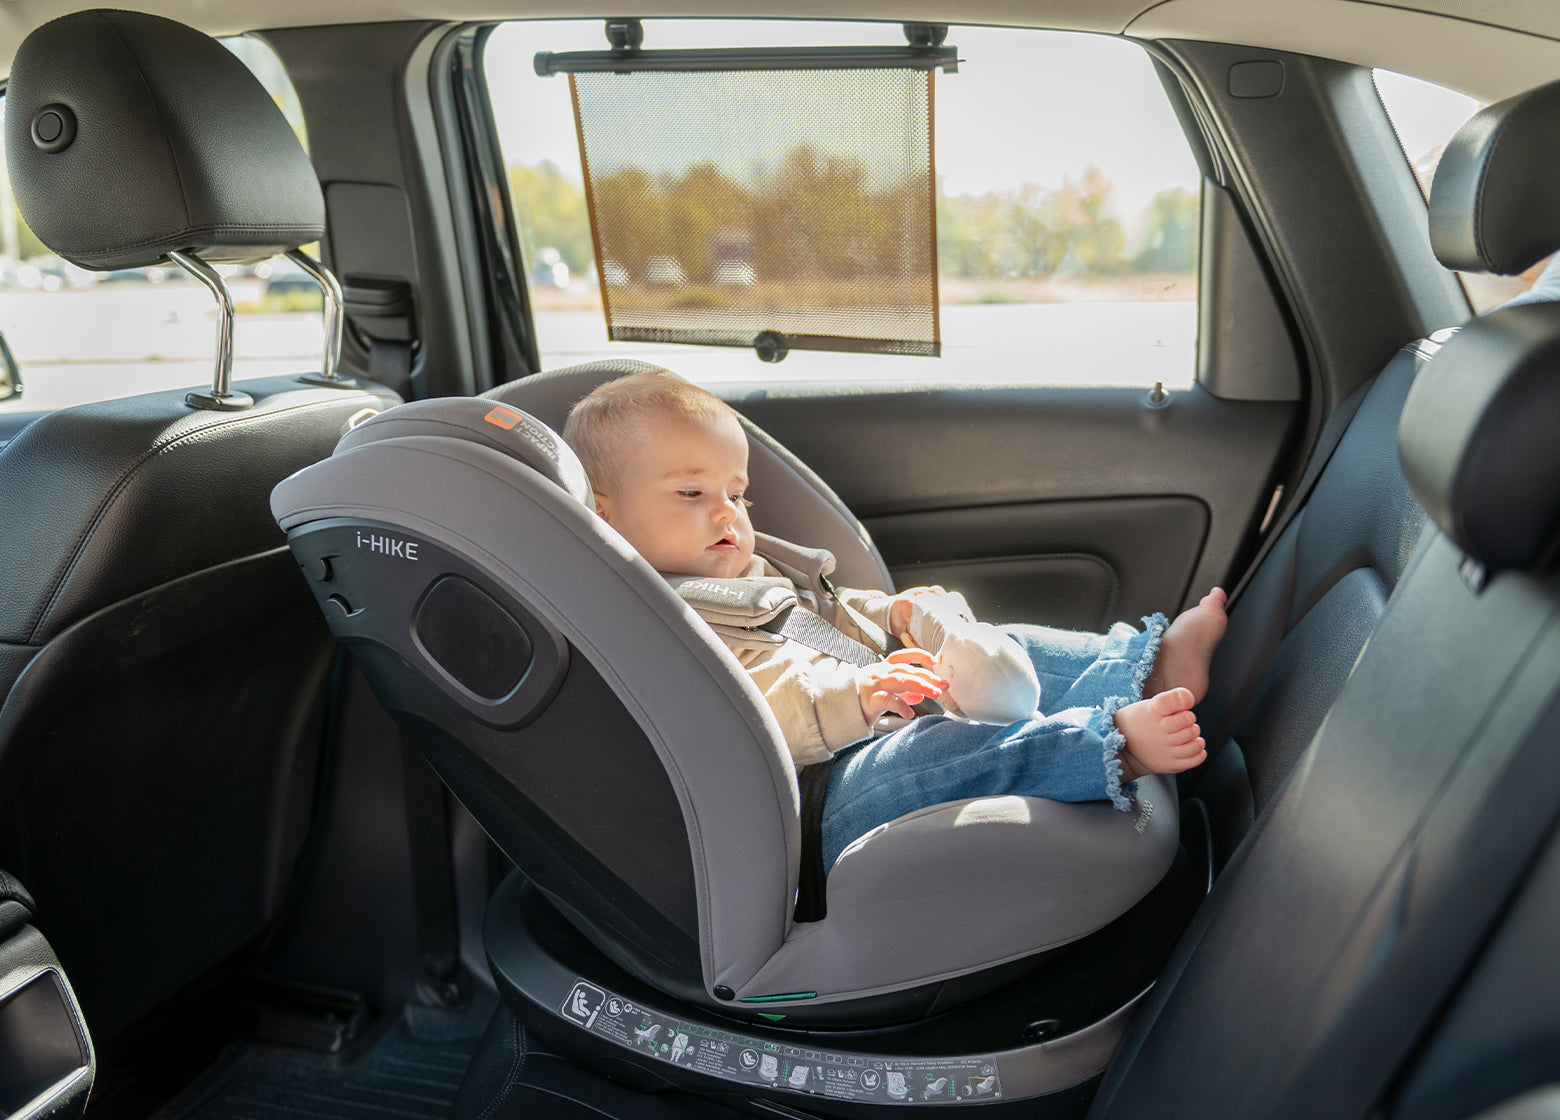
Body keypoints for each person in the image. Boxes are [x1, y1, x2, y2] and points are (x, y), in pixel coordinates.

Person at [563, 372, 1228, 871]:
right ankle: (1107, 747)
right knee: (931, 754)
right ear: (604, 513)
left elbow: (823, 616)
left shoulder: (747, 574)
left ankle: (1150, 661)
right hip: (816, 804)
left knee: (1010, 647)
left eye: (737, 493)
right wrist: (853, 700)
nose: (727, 513)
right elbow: (741, 719)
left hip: (872, 718)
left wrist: (894, 615)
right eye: (691, 493)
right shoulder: (649, 625)